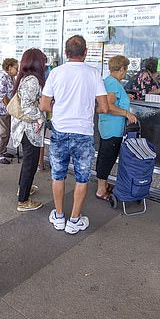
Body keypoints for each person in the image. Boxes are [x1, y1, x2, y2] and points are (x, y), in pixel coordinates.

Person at [40, 35, 109, 234]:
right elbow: (103, 107)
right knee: (82, 178)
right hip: (83, 133)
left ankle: (59, 216)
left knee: (58, 175)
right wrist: (86, 108)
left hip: (60, 131)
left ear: (66, 53)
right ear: (86, 53)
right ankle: (75, 220)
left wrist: (60, 106)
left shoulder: (56, 73)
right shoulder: (93, 73)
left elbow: (44, 105)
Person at [95, 55, 138, 201]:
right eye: (125, 69)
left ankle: (104, 185)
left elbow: (114, 101)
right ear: (121, 69)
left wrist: (126, 97)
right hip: (112, 128)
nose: (125, 73)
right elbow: (107, 106)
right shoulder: (113, 83)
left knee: (105, 156)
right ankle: (101, 190)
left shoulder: (110, 82)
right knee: (107, 157)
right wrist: (126, 113)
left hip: (108, 127)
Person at [11, 48, 47, 212]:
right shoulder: (32, 80)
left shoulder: (26, 78)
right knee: (30, 163)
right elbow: (26, 106)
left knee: (29, 162)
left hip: (27, 128)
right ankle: (23, 201)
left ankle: (22, 188)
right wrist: (40, 118)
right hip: (29, 129)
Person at [0, 58, 19, 164]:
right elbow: (3, 96)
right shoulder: (3, 77)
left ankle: (3, 151)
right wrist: (10, 107)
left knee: (6, 132)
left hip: (6, 110)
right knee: (2, 133)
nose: (17, 70)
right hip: (1, 109)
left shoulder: (11, 77)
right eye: (16, 68)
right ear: (9, 67)